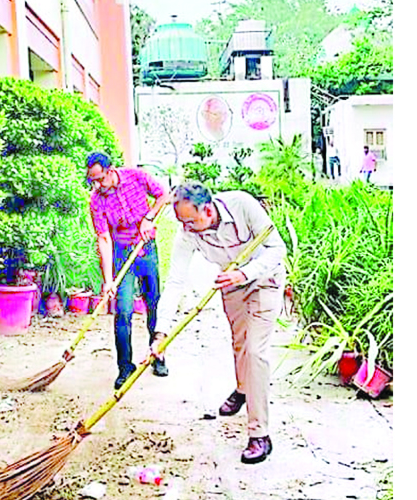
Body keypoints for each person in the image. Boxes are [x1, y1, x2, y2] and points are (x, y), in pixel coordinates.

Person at [149, 182, 287, 464]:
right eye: (181, 221)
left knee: (255, 351)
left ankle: (259, 434)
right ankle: (242, 388)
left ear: (208, 210)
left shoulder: (242, 205)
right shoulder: (187, 232)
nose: (185, 227)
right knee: (239, 343)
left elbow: (277, 248)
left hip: (265, 279)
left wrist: (245, 273)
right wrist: (161, 332)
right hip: (231, 284)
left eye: (190, 220)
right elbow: (176, 281)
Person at [87, 152, 171, 389]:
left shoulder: (136, 177)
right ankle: (125, 367)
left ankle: (158, 355)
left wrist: (148, 218)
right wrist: (108, 280)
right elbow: (103, 238)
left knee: (153, 302)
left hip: (147, 248)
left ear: (111, 170)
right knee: (123, 311)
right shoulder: (96, 200)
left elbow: (163, 194)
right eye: (93, 181)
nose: (97, 185)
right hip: (122, 253)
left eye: (100, 179)